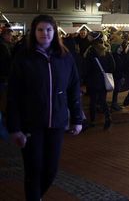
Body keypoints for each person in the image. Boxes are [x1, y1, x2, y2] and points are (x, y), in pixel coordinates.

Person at [6, 15, 84, 201]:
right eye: (40, 29)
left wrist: (77, 119)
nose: (45, 33)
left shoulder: (65, 57)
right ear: (34, 32)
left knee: (51, 169)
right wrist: (15, 127)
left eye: (49, 29)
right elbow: (13, 94)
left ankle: (35, 196)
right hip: (31, 122)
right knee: (34, 168)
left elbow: (74, 88)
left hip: (56, 122)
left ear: (55, 32)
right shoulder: (24, 57)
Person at [83, 32, 115, 129]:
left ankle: (92, 121)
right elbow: (113, 66)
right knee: (103, 100)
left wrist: (85, 79)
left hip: (93, 81)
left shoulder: (90, 52)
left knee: (92, 101)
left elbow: (86, 68)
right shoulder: (107, 51)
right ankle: (108, 117)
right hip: (103, 81)